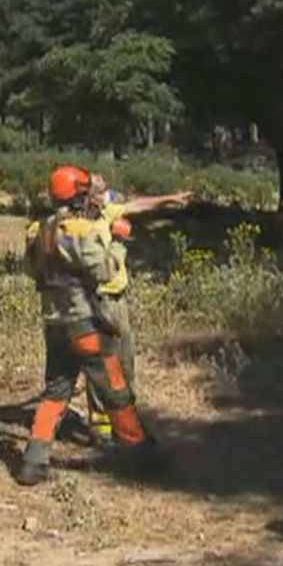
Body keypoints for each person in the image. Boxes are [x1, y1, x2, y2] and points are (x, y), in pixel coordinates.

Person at [18, 166, 182, 485]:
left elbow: (32, 271)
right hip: (85, 326)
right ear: (79, 194)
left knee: (55, 393)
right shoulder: (83, 231)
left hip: (53, 325)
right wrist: (119, 240)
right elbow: (105, 271)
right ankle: (140, 455)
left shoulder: (36, 230)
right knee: (115, 389)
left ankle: (33, 462)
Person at [82, 175, 191, 441]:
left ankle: (127, 423)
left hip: (118, 300)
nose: (107, 195)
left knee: (126, 361)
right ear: (89, 196)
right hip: (99, 299)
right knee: (102, 364)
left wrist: (170, 198)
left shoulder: (109, 211)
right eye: (102, 190)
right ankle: (101, 427)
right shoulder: (81, 225)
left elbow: (138, 205)